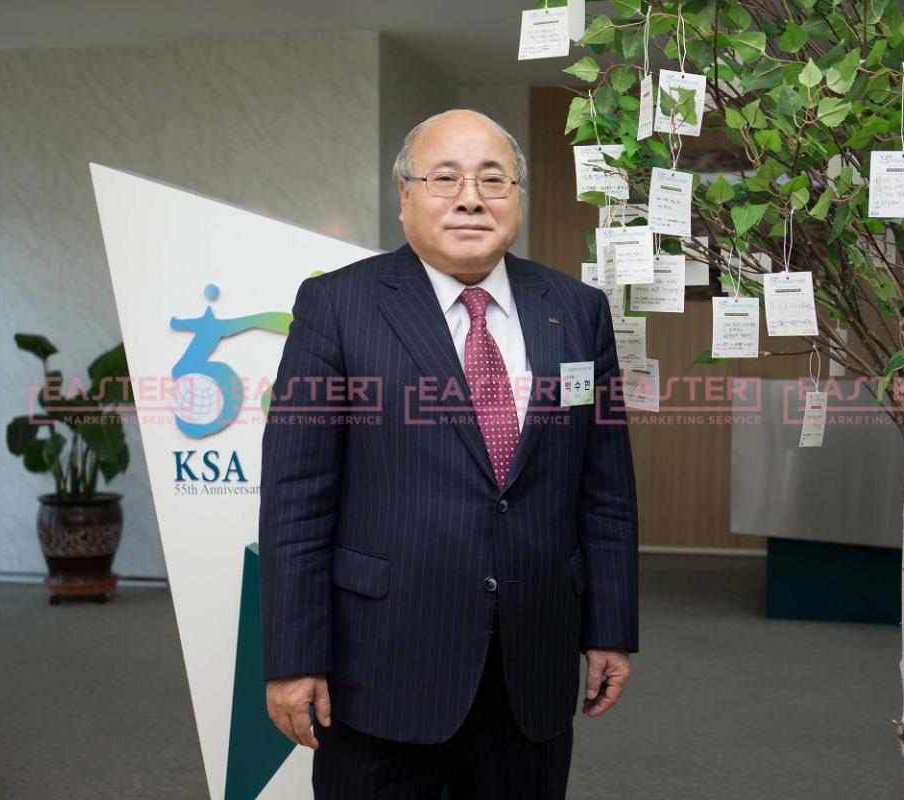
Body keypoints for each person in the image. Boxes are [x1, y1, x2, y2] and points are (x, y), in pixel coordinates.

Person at [258, 109, 639, 799]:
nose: (471, 198)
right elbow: (296, 499)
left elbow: (605, 487)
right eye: (445, 178)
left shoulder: (578, 309)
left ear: (518, 195)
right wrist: (293, 658)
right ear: (404, 196)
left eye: (493, 179)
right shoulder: (337, 305)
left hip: (532, 660)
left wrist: (610, 628)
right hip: (383, 663)